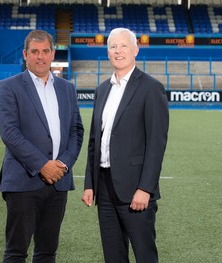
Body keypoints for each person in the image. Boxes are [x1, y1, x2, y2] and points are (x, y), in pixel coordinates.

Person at [0, 30, 84, 263]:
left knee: (47, 252)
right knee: (16, 252)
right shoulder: (9, 87)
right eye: (35, 52)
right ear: (25, 55)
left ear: (53, 53)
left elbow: (76, 131)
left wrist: (62, 165)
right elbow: (10, 133)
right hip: (24, 181)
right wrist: (42, 165)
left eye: (46, 51)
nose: (41, 57)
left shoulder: (67, 88)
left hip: (58, 182)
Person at [82, 27, 169, 263]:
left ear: (135, 50)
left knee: (144, 255)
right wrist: (90, 183)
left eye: (123, 46)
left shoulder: (151, 88)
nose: (118, 51)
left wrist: (146, 189)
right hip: (104, 187)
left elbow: (156, 144)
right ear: (107, 51)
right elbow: (94, 142)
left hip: (135, 189)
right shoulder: (102, 90)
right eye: (113, 46)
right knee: (113, 256)